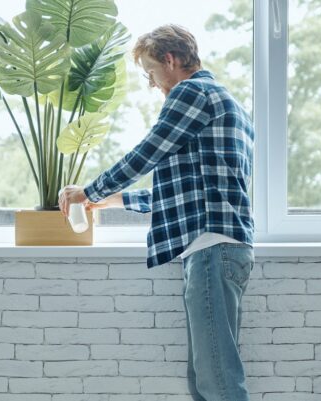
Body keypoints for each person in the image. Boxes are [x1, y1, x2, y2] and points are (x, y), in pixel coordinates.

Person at [58, 24, 255, 401]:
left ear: (170, 59)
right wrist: (111, 201)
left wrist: (89, 190)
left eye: (151, 73)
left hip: (212, 250)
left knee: (218, 382)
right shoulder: (228, 104)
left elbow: (148, 152)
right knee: (205, 380)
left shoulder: (192, 92)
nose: (153, 84)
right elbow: (184, 191)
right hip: (223, 248)